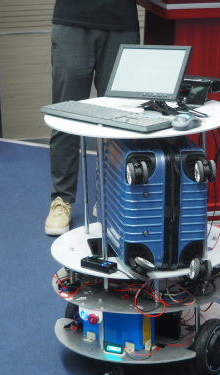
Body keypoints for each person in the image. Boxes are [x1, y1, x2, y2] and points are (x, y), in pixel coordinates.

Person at [45, 0, 140, 236]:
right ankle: (61, 199)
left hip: (120, 20)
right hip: (72, 19)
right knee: (66, 115)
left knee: (120, 120)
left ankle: (110, 195)